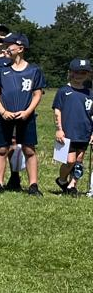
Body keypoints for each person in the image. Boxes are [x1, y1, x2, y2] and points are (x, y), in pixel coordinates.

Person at [0, 33, 43, 194]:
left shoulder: (34, 70)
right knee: (2, 149)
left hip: (26, 116)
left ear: (20, 48)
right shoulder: (1, 71)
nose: (5, 48)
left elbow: (37, 94)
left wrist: (27, 112)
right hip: (5, 116)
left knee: (29, 149)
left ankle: (33, 185)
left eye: (9, 45)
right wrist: (3, 111)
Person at [53, 59, 93, 195]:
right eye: (77, 72)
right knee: (70, 161)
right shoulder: (64, 91)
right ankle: (62, 180)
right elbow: (57, 111)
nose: (80, 75)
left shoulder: (90, 93)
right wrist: (59, 129)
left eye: (84, 72)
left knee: (79, 160)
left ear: (88, 74)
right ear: (71, 73)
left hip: (84, 131)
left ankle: (72, 185)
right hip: (68, 132)